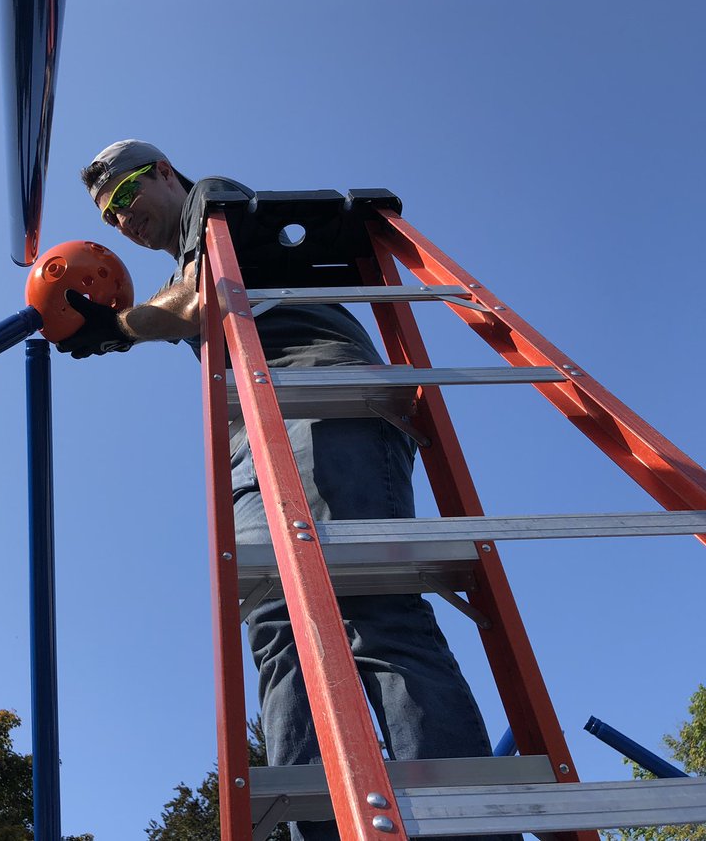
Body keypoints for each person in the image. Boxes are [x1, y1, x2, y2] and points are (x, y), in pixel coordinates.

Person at [58, 140, 511, 841]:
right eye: (108, 215)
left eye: (124, 195)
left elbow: (198, 301)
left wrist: (116, 328)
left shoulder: (216, 203)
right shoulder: (179, 266)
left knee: (371, 607)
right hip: (255, 432)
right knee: (276, 629)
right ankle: (316, 828)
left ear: (165, 173)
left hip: (323, 395)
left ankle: (463, 829)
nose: (121, 219)